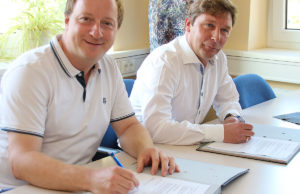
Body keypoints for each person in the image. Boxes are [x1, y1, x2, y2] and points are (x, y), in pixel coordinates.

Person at [0, 0, 179, 193]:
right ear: (67, 21)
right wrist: (91, 178)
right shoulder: (30, 71)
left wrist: (145, 149)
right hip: (19, 188)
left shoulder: (108, 66)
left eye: (107, 23)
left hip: (76, 184)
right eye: (86, 19)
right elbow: (22, 161)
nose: (96, 32)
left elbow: (128, 126)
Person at [130, 0, 254, 145]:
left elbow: (228, 100)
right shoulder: (164, 62)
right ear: (188, 25)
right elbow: (156, 129)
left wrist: (231, 116)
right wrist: (221, 133)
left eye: (224, 30)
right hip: (146, 150)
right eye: (209, 26)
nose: (216, 37)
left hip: (185, 147)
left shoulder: (218, 58)